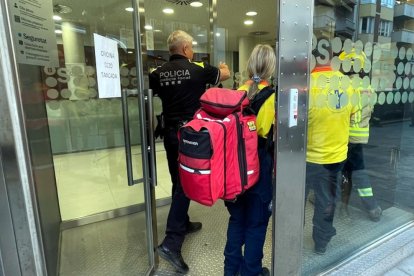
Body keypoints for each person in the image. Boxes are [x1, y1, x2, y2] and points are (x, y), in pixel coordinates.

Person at [149, 30, 230, 274]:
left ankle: (182, 223)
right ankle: (172, 243)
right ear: (185, 49)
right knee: (185, 185)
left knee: (177, 179)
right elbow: (224, 75)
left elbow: (150, 94)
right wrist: (223, 67)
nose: (192, 50)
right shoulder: (198, 68)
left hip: (170, 135)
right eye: (191, 47)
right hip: (190, 137)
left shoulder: (157, 74)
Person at [223, 44, 276, 276]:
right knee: (256, 223)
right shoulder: (274, 98)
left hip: (234, 167)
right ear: (271, 68)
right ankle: (251, 272)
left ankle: (230, 270)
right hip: (259, 166)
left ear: (249, 65)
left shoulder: (234, 94)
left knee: (237, 220)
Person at [305, 64, 357, 255]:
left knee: (296, 201)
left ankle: (290, 240)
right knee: (326, 201)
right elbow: (352, 115)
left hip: (304, 158)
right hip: (334, 158)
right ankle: (321, 242)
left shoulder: (305, 83)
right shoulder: (347, 84)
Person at [338, 50, 382, 222]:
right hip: (360, 136)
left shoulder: (345, 86)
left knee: (339, 171)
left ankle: (368, 206)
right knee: (356, 172)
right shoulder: (368, 87)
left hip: (345, 135)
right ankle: (371, 207)